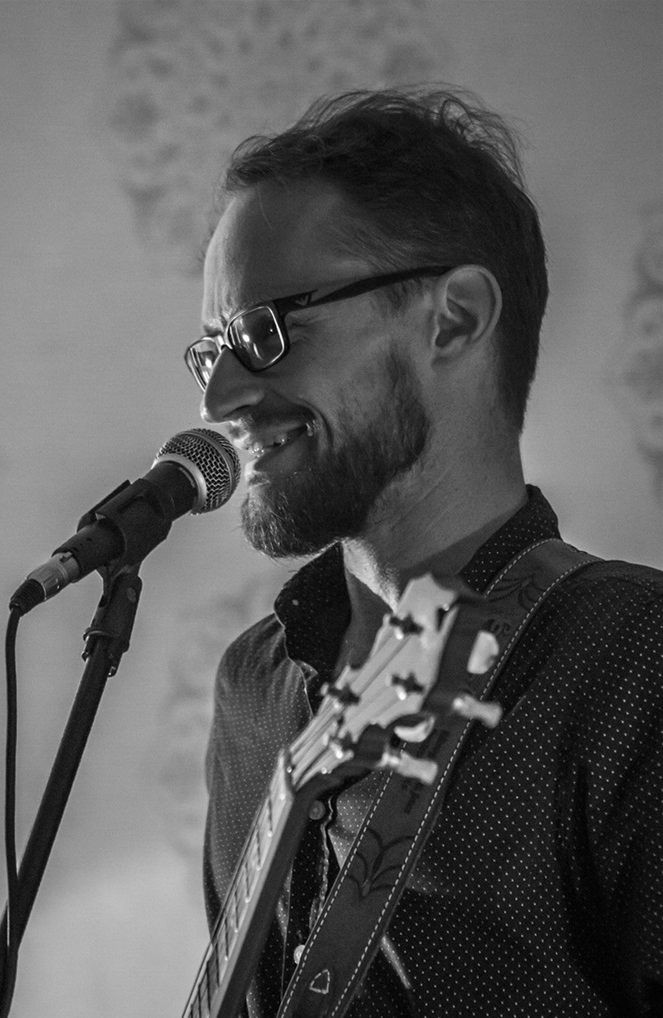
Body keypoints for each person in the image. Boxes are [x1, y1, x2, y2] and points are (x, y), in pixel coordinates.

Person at [183, 87, 663, 1017]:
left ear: (454, 318)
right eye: (213, 351)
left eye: (264, 333)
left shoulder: (635, 661)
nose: (219, 399)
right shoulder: (253, 684)